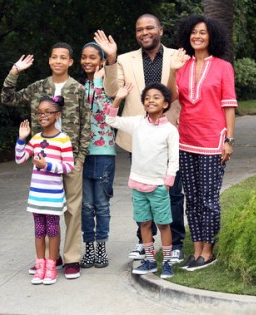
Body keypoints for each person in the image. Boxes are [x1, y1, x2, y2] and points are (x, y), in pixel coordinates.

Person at [94, 14, 186, 264]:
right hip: (140, 136)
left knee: (173, 193)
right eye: (139, 29)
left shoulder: (178, 57)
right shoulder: (123, 60)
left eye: (149, 28)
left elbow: (176, 95)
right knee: (142, 192)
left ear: (161, 30)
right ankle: (144, 242)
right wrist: (111, 59)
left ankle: (175, 243)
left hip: (169, 132)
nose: (144, 33)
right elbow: (113, 91)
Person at [1, 42, 91, 279]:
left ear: (70, 62)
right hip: (43, 157)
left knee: (72, 209)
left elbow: (85, 124)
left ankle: (71, 258)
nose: (58, 61)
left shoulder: (78, 89)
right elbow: (8, 98)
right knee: (45, 209)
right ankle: (52, 257)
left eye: (63, 57)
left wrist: (80, 157)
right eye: (54, 57)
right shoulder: (38, 87)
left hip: (69, 157)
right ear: (49, 60)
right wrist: (15, 72)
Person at [167, 15, 237, 271]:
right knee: (192, 199)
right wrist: (173, 70)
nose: (197, 36)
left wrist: (228, 140)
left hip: (212, 142)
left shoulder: (222, 67)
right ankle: (196, 249)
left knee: (208, 199)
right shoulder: (182, 65)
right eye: (194, 32)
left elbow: (229, 106)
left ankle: (208, 251)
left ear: (212, 37)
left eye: (203, 33)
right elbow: (170, 96)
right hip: (186, 140)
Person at [106, 82, 179, 279]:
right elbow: (111, 120)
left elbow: (174, 160)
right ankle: (149, 261)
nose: (150, 100)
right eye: (147, 98)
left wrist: (167, 183)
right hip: (137, 185)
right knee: (144, 224)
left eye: (156, 97)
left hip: (158, 187)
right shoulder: (137, 122)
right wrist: (119, 98)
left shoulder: (170, 131)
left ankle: (168, 262)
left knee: (164, 225)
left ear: (165, 104)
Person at [15, 96, 75, 285]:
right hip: (37, 195)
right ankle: (39, 267)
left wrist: (47, 165)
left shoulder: (63, 139)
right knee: (39, 232)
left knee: (53, 231)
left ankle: (51, 267)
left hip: (53, 196)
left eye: (47, 112)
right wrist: (21, 139)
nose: (43, 116)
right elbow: (20, 159)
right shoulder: (36, 138)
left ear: (57, 115)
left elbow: (69, 167)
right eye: (39, 112)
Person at [78, 42, 115, 269]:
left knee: (101, 205)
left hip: (103, 154)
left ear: (101, 61)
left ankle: (101, 248)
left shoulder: (108, 85)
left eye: (93, 57)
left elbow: (107, 112)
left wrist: (100, 82)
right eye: (84, 57)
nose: (87, 61)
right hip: (83, 154)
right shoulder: (80, 87)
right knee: (85, 205)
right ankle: (88, 248)